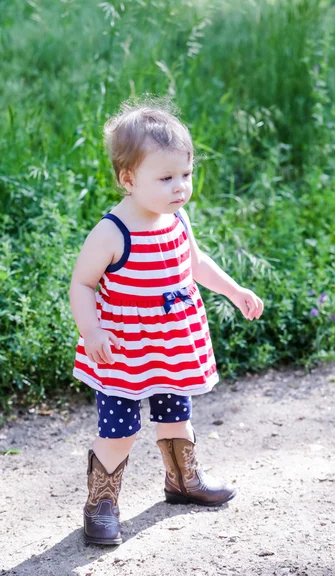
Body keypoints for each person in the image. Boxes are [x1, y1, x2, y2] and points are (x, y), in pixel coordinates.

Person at [69, 99, 264, 546]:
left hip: (172, 340)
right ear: (128, 179)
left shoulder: (176, 218)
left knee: (177, 415)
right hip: (123, 347)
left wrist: (234, 291)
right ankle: (101, 504)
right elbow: (82, 284)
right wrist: (92, 330)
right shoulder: (112, 231)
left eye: (185, 175)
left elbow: (195, 262)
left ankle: (183, 480)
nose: (179, 187)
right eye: (165, 178)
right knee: (119, 430)